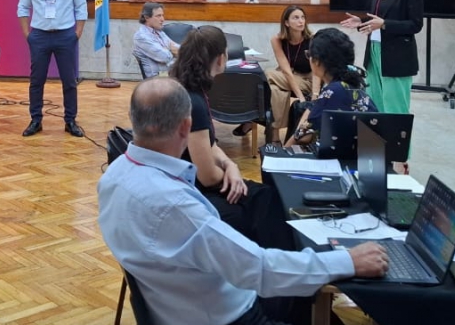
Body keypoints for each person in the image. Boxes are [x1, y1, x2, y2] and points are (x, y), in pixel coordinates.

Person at [98, 77, 387, 325]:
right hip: (230, 315)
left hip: (180, 301)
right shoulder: (177, 208)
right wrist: (349, 260)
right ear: (186, 126)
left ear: (134, 119)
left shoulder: (113, 176)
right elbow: (259, 269)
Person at [169, 25, 290, 251]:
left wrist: (230, 164)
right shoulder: (193, 101)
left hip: (183, 182)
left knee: (263, 195)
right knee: (267, 200)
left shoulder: (188, 88)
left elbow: (209, 144)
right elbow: (207, 177)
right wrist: (231, 177)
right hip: (190, 191)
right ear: (220, 58)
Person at [340, 0, 423, 114]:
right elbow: (378, 18)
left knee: (395, 109)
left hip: (396, 57)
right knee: (374, 107)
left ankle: (396, 134)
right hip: (374, 52)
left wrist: (384, 24)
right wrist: (361, 22)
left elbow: (415, 24)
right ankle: (378, 134)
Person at [16, 0, 87, 138]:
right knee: (36, 81)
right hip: (39, 36)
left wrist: (77, 33)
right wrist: (28, 34)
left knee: (69, 81)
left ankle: (70, 121)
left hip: (65, 35)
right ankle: (36, 120)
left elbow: (81, 7)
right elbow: (22, 8)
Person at [285, 28, 377, 147]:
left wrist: (284, 150)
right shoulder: (351, 85)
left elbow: (303, 136)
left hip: (348, 156)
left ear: (317, 61)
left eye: (309, 55)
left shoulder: (333, 91)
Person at [267, 5, 319, 135]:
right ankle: (275, 136)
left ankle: (272, 131)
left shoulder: (312, 39)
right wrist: (300, 96)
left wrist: (314, 95)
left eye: (302, 17)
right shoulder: (277, 39)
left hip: (308, 79)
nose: (301, 21)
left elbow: (316, 71)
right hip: (288, 76)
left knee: (268, 74)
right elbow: (286, 71)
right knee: (275, 89)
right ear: (286, 22)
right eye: (295, 18)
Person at [131, 2, 179, 78]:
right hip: (158, 77)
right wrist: (171, 50)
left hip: (169, 73)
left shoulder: (160, 32)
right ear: (147, 17)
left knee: (194, 70)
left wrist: (168, 49)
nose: (162, 19)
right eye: (158, 16)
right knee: (190, 75)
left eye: (162, 15)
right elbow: (165, 57)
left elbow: (179, 49)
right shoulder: (141, 36)